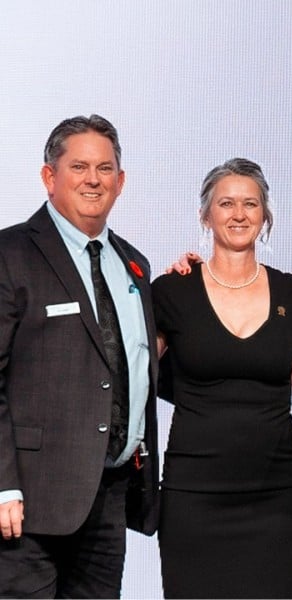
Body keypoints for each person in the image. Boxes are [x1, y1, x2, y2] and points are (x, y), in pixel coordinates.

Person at [0, 114, 159, 598]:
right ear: (50, 177)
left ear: (121, 180)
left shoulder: (134, 264)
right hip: (27, 503)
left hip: (108, 497)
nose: (94, 179)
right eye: (79, 167)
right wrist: (3, 485)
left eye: (105, 168)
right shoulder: (10, 254)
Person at [152, 158, 292, 598]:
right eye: (226, 203)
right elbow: (135, 377)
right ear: (206, 214)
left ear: (264, 215)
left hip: (276, 496)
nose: (239, 214)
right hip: (193, 496)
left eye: (250, 204)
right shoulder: (172, 291)